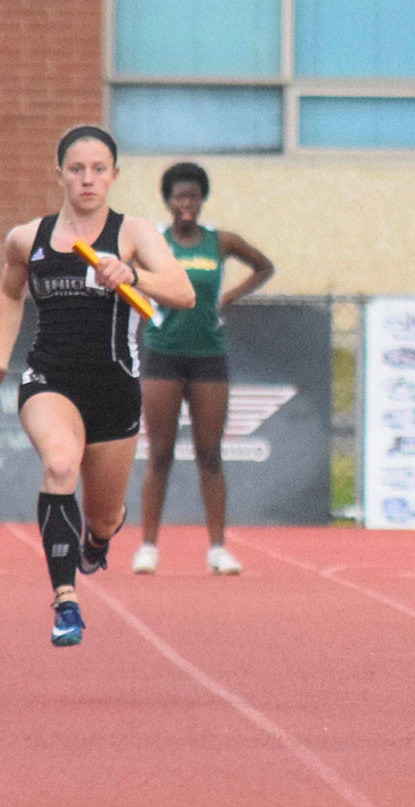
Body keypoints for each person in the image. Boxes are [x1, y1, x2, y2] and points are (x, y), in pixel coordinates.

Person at [0, 125, 194, 646]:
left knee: (105, 515)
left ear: (114, 175)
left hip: (114, 389)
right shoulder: (28, 238)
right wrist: (0, 360)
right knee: (60, 465)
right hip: (50, 378)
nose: (87, 179)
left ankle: (97, 540)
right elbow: (9, 295)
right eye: (77, 169)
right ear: (60, 175)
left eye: (98, 169)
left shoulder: (134, 234)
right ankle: (66, 602)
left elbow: (182, 292)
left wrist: (135, 276)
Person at [130, 162, 275, 576]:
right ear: (169, 202)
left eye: (193, 196)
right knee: (159, 453)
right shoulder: (154, 243)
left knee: (209, 454)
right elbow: (124, 276)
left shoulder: (220, 241)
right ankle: (148, 547)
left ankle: (217, 549)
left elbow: (264, 266)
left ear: (202, 199)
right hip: (163, 354)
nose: (187, 204)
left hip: (208, 355)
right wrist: (143, 304)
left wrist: (229, 296)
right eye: (179, 197)